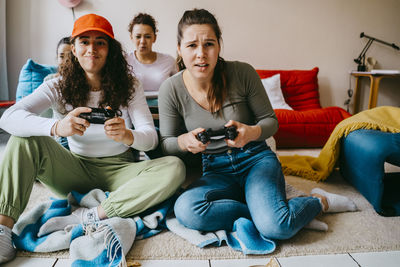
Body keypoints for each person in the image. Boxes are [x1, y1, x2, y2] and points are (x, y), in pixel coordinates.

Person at [158, 8, 357, 244]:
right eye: (192, 46)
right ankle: (268, 210)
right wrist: (184, 141)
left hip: (255, 159)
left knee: (277, 228)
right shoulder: (170, 89)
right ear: (179, 49)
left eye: (209, 44)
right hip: (215, 169)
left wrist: (251, 132)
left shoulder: (242, 72)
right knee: (186, 210)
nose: (201, 54)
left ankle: (318, 201)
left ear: (219, 46)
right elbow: (166, 143)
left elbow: (271, 122)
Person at [0, 13, 185, 264]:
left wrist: (128, 136)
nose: (92, 49)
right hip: (74, 170)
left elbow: (150, 138)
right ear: (74, 48)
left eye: (100, 42)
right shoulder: (58, 85)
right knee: (23, 139)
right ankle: (3, 228)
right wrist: (57, 126)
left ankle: (92, 215)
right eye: (84, 41)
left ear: (110, 49)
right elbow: (8, 118)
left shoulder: (130, 85)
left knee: (174, 167)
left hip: (121, 170)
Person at [127, 13, 177, 95]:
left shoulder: (169, 61)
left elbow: (178, 90)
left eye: (147, 36)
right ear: (131, 38)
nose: (143, 41)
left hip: (163, 107)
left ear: (154, 38)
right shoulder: (124, 61)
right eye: (138, 36)